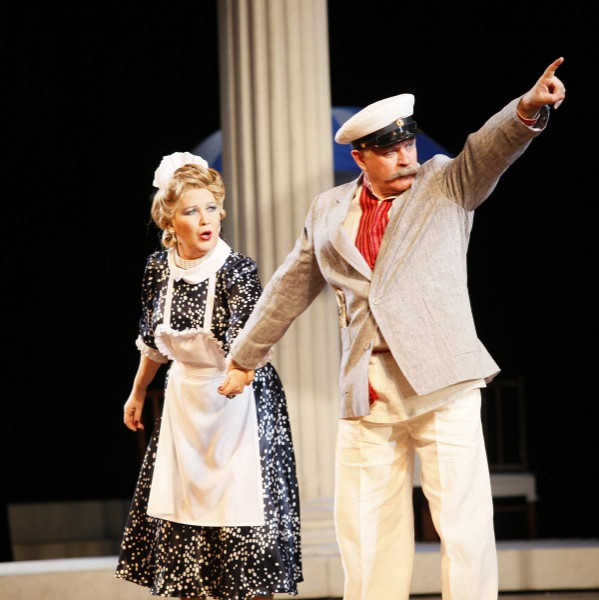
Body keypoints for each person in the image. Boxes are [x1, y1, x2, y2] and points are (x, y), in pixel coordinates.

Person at [220, 58, 567, 599]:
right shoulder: (328, 209)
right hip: (369, 388)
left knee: (464, 525)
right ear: (360, 156)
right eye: (390, 150)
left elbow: (489, 149)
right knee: (366, 531)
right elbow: (290, 285)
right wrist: (245, 356)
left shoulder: (445, 182)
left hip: (442, 380)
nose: (407, 156)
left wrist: (526, 110)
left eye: (408, 144)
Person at [115, 152, 302, 600]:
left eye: (211, 208)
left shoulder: (237, 270)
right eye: (191, 211)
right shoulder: (157, 269)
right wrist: (137, 392)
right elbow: (153, 342)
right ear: (169, 221)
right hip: (186, 404)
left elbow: (249, 338)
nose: (205, 220)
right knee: (185, 522)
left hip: (239, 402)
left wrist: (242, 371)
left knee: (244, 521)